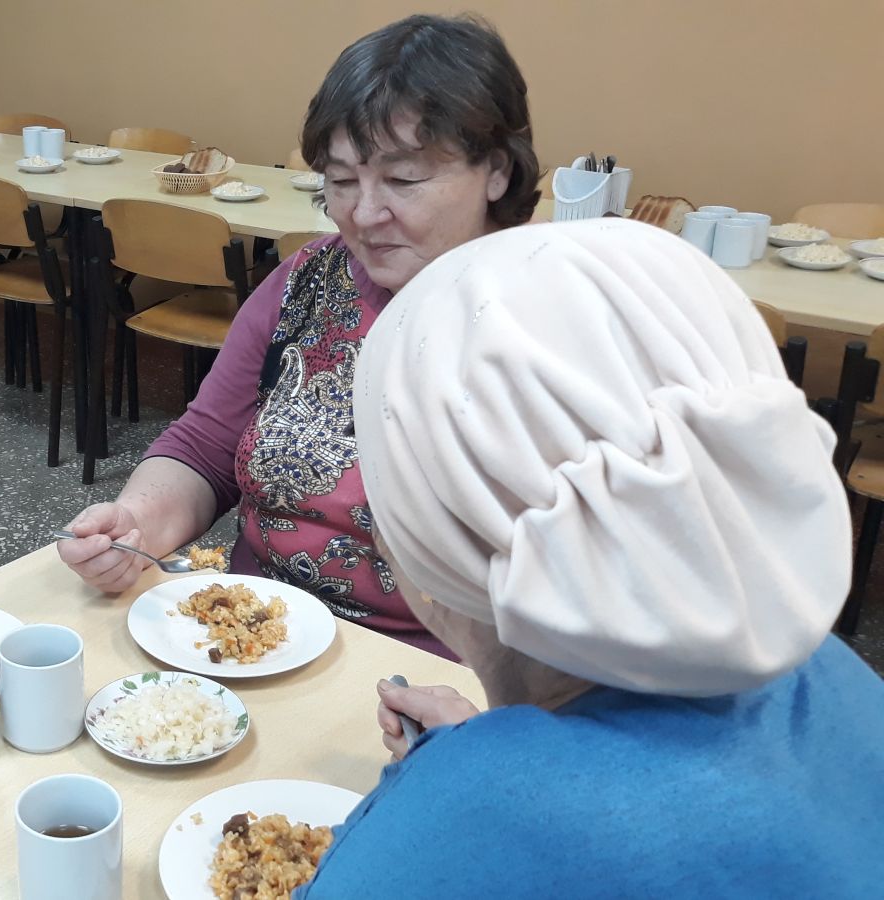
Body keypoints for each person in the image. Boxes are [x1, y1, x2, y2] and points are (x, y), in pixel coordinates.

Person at [299, 219, 884, 896]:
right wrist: (500, 757)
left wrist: (474, 786)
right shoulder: (829, 674)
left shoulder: (439, 842)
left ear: (430, 547)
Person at [58, 14, 539, 656]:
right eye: (340, 181)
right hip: (255, 632)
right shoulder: (309, 279)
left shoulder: (548, 319)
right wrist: (138, 524)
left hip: (441, 670)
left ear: (497, 171)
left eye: (403, 180)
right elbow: (206, 445)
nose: (364, 214)